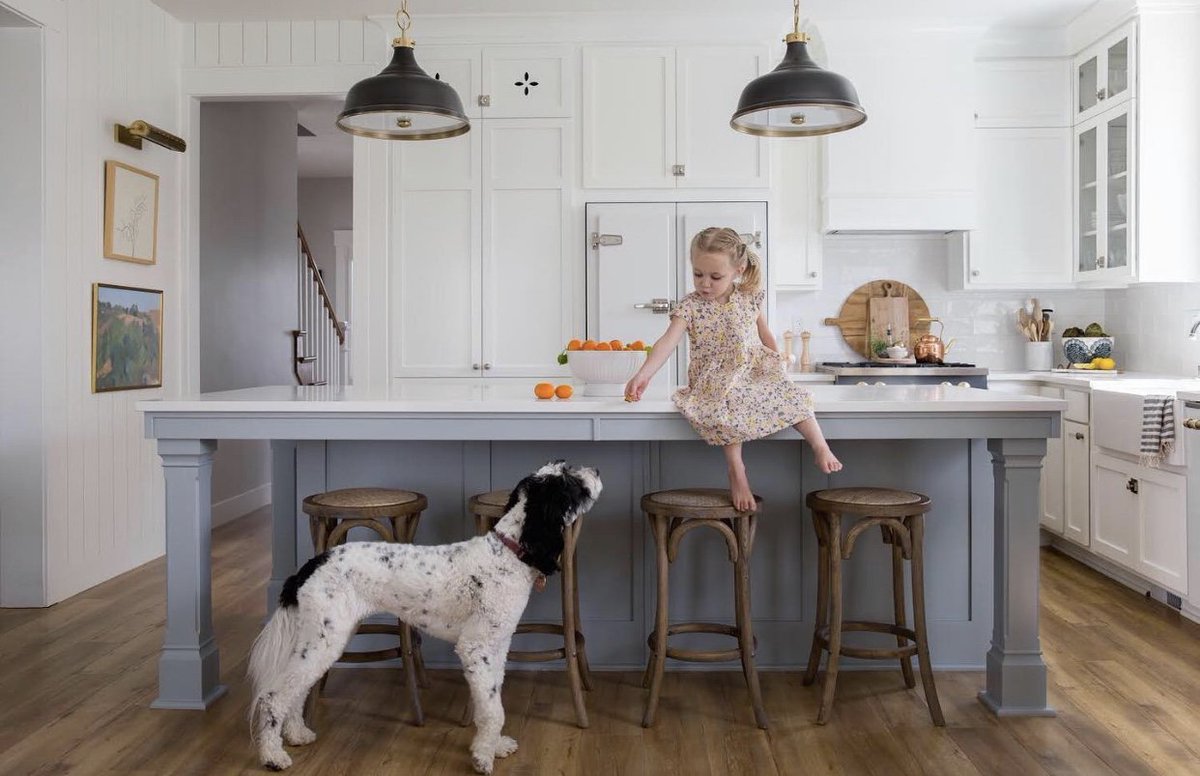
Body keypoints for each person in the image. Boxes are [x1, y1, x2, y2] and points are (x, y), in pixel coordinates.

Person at [624, 227, 842, 511]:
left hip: (752, 369)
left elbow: (765, 334)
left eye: (715, 277)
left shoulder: (750, 296)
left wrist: (777, 366)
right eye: (698, 274)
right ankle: (736, 470)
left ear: (738, 270)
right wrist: (644, 374)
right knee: (726, 405)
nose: (705, 283)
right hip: (714, 377)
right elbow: (667, 342)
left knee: (794, 395)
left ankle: (819, 445)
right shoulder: (690, 306)